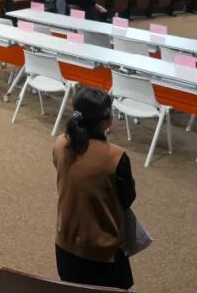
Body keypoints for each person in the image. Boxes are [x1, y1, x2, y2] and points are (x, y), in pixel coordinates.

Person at [53, 87, 136, 289]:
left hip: (64, 243)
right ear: (105, 122)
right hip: (102, 250)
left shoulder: (60, 143)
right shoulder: (116, 156)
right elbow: (128, 198)